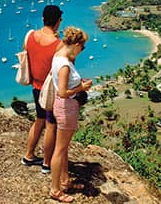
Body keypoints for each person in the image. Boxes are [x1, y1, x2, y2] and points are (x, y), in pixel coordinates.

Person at [49, 27, 92, 203]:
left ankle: (65, 181)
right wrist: (82, 87)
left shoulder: (59, 54)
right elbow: (63, 92)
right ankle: (55, 190)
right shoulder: (65, 65)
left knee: (63, 148)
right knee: (59, 150)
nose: (82, 51)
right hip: (66, 107)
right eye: (82, 47)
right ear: (75, 45)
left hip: (63, 107)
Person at [21, 4, 63, 174]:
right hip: (50, 90)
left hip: (36, 86)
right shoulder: (58, 45)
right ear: (58, 21)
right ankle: (47, 164)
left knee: (39, 119)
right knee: (51, 125)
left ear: (43, 19)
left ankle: (29, 155)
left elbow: (27, 53)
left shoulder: (30, 36)